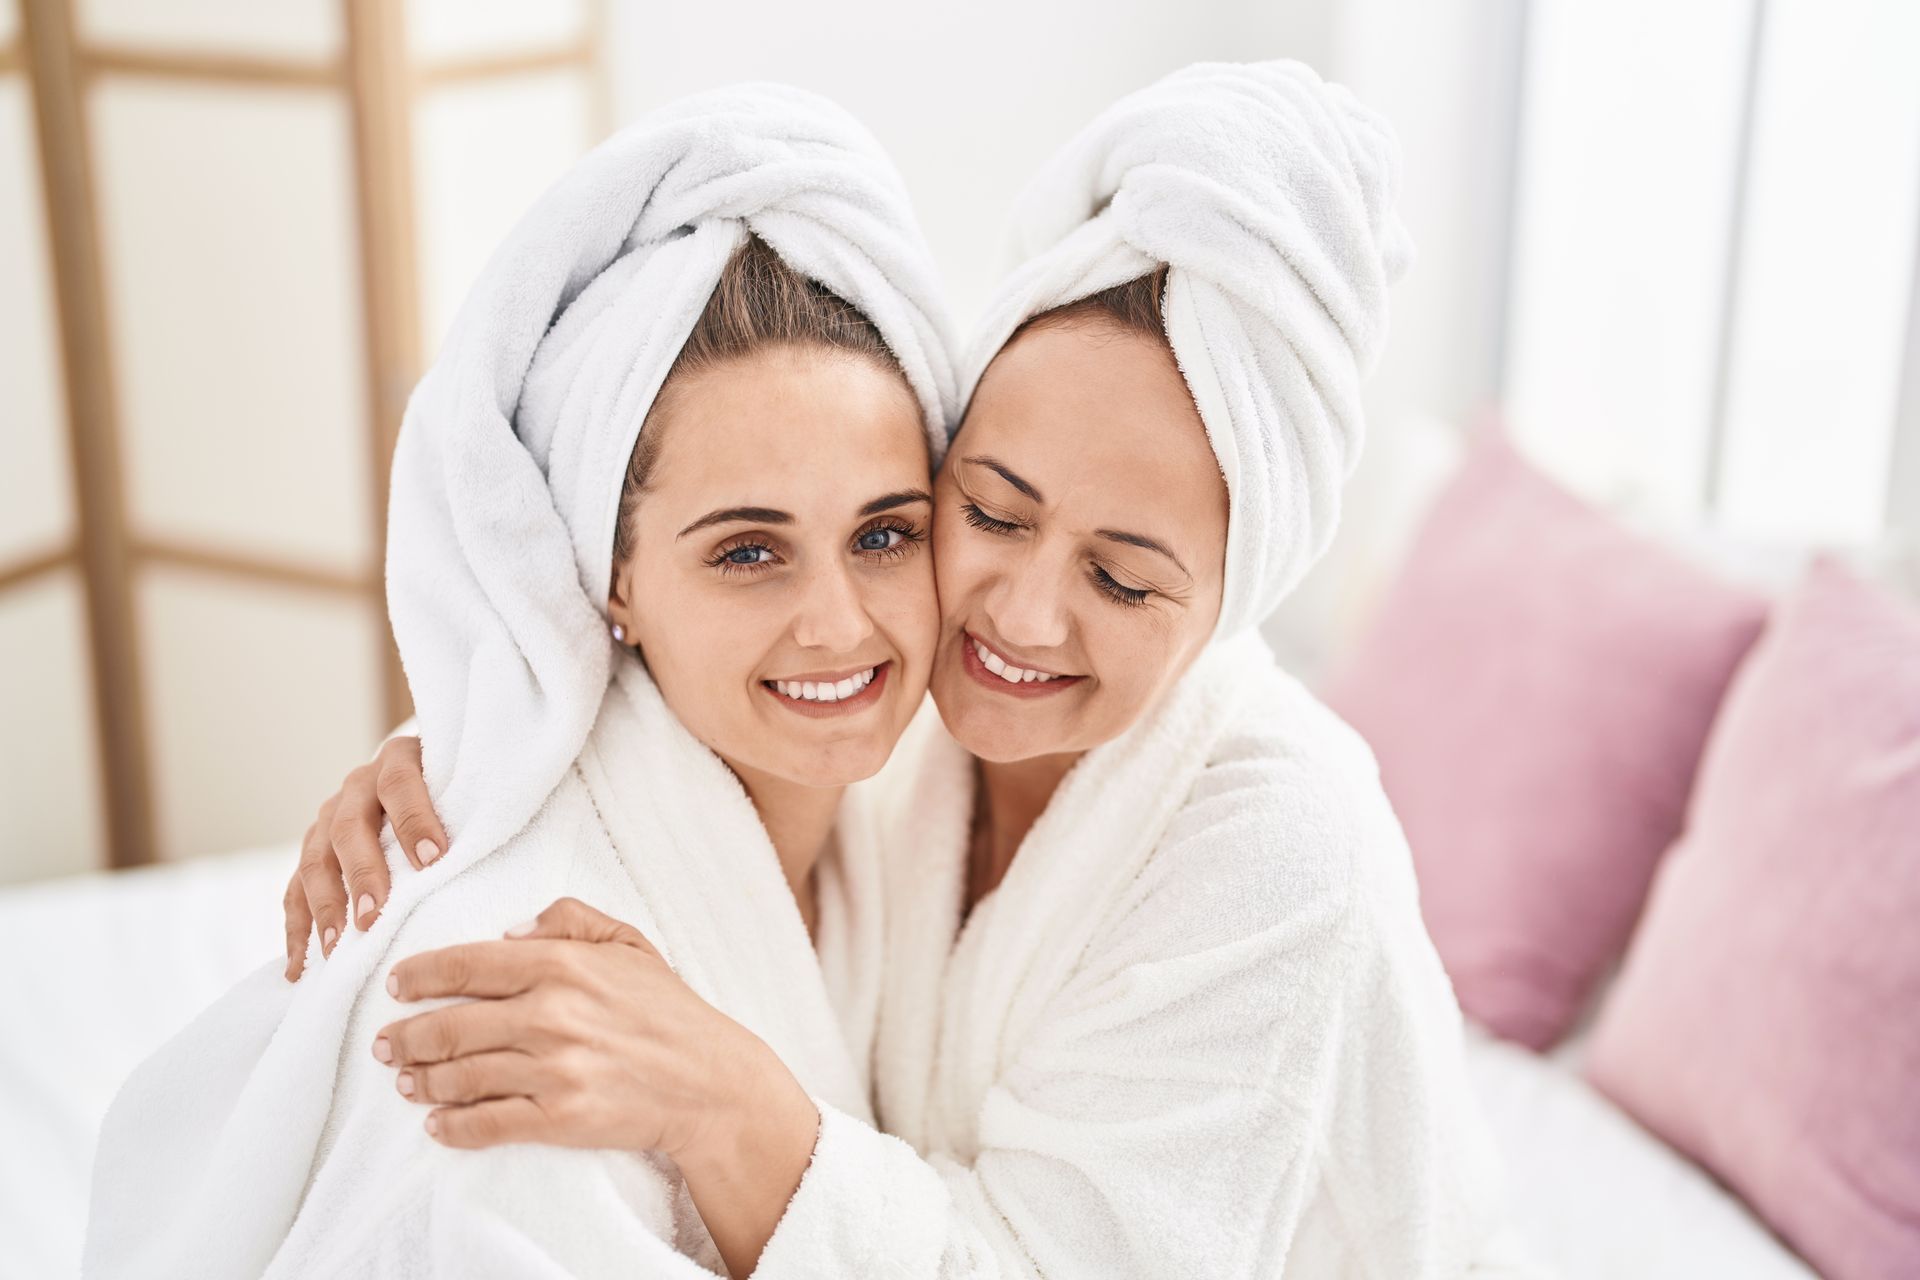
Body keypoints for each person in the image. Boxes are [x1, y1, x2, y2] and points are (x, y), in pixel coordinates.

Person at [288, 62, 1540, 1276]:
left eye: (1123, 578)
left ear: (1230, 602)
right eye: (990, 512)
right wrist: (476, 747)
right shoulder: (904, 722)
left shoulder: (1287, 850)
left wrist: (720, 1097)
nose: (1024, 618)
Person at [84, 84, 960, 1280]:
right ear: (607, 578)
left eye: (884, 533)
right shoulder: (520, 1008)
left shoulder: (920, 815)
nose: (837, 623)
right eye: (747, 551)